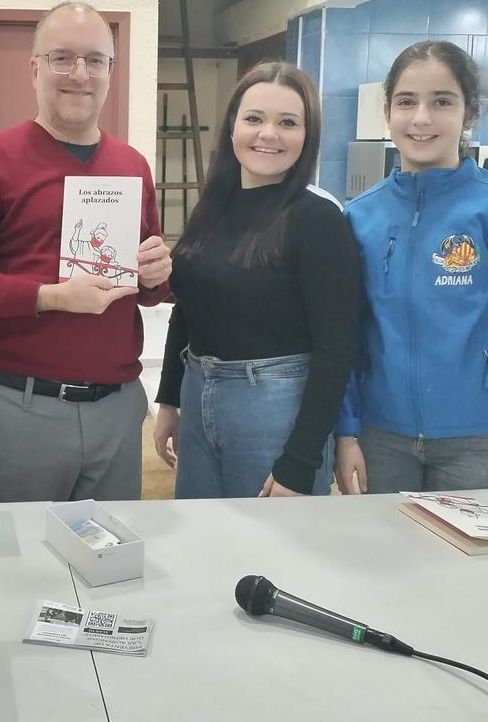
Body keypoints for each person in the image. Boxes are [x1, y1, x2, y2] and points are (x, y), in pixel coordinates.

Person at [0, 1, 172, 503]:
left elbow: (146, 291)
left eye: (95, 60)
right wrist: (48, 296)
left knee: (109, 566)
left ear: (110, 72)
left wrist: (156, 272)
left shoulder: (132, 165)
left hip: (117, 411)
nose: (79, 74)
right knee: (18, 571)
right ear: (34, 69)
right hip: (20, 409)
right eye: (62, 58)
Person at [334, 40, 488, 515]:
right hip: (380, 435)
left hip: (474, 439)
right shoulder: (360, 217)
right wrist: (346, 431)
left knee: (467, 576)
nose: (422, 118)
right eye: (407, 102)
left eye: (442, 101)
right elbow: (346, 338)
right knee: (384, 566)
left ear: (469, 112)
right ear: (388, 111)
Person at [152, 62, 361, 498]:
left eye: (287, 123)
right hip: (198, 393)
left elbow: (336, 350)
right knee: (203, 542)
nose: (268, 134)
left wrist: (300, 462)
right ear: (232, 127)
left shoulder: (318, 219)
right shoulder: (212, 208)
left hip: (275, 409)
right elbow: (189, 309)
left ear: (307, 137)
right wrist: (169, 398)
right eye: (254, 119)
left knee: (268, 554)